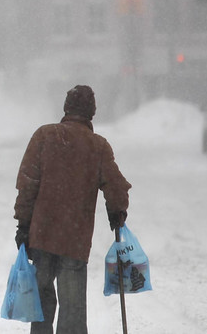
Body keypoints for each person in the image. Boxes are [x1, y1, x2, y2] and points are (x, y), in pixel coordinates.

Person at [13, 85, 131, 334]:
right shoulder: (97, 146)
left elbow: (27, 183)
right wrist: (117, 212)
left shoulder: (44, 136)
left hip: (42, 234)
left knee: (42, 301)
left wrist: (23, 224)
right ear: (92, 112)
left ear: (66, 108)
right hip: (74, 241)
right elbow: (116, 187)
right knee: (73, 309)